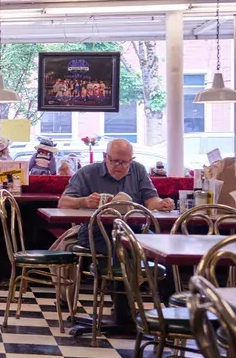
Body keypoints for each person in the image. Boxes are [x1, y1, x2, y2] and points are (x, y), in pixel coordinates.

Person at [59, 138, 174, 328]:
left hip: (136, 229)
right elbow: (64, 202)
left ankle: (173, 312)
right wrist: (84, 202)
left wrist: (162, 204)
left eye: (124, 162)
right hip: (97, 231)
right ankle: (123, 313)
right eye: (114, 161)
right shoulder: (88, 173)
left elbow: (150, 199)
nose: (119, 166)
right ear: (105, 157)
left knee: (163, 252)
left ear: (131, 160)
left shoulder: (138, 170)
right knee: (122, 251)